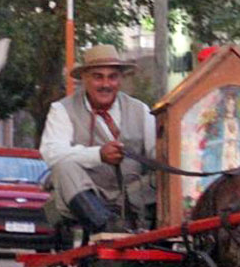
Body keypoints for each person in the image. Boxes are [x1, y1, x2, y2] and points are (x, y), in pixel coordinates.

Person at [39, 44, 157, 234]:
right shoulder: (62, 109)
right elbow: (51, 154)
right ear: (85, 79)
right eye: (98, 77)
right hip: (85, 195)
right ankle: (105, 225)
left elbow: (156, 152)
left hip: (133, 195)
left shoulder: (141, 110)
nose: (105, 84)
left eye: (112, 77)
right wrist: (98, 155)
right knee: (63, 166)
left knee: (166, 172)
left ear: (120, 79)